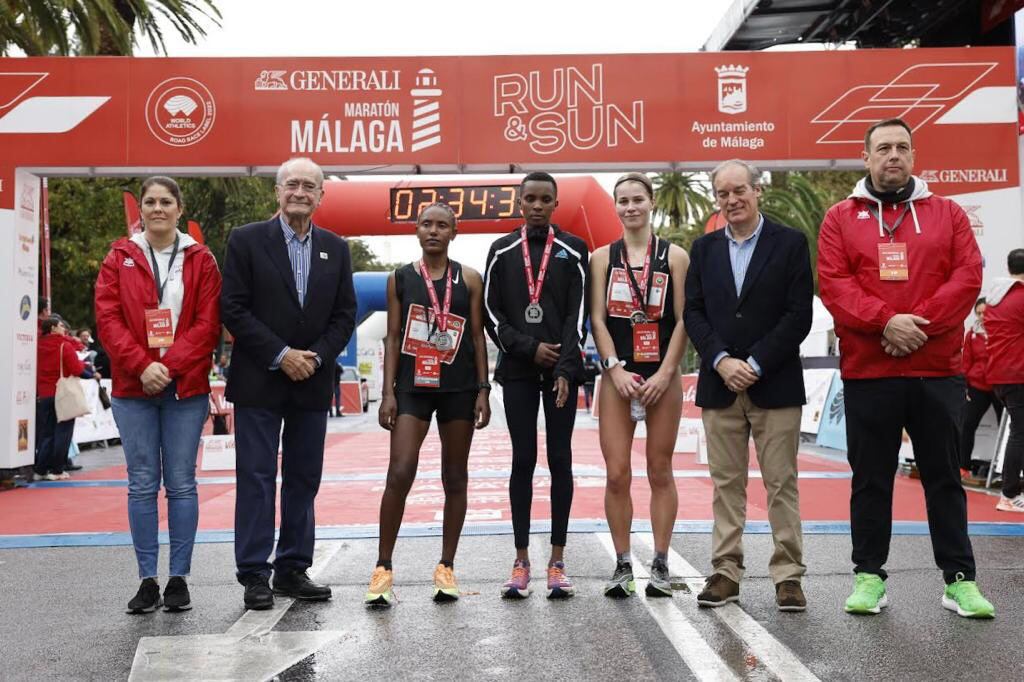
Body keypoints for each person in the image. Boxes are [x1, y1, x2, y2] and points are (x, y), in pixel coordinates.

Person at [818, 117, 994, 618]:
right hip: (870, 373)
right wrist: (885, 322)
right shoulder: (839, 218)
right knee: (870, 478)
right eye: (883, 148)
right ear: (866, 156)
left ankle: (959, 580)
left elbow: (967, 277)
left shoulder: (948, 214)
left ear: (914, 157)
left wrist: (917, 326)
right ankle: (869, 576)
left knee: (943, 477)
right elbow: (834, 284)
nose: (893, 156)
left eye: (902, 148)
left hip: (936, 369)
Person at [220, 157, 357, 611]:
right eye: (292, 184)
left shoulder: (336, 248)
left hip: (312, 381)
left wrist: (315, 356)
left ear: (322, 195)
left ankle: (293, 568)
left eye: (309, 186)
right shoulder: (245, 240)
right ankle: (255, 573)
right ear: (277, 192)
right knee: (256, 478)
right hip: (260, 378)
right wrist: (282, 355)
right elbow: (234, 308)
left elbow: (344, 315)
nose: (300, 192)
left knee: (303, 478)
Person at [684, 160, 813, 612]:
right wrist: (721, 360)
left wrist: (754, 362)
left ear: (757, 191)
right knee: (726, 484)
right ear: (716, 199)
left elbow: (799, 315)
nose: (732, 200)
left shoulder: (791, 244)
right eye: (723, 194)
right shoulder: (703, 250)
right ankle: (725, 572)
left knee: (782, 483)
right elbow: (693, 313)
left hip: (774, 383)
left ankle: (788, 576)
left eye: (740, 190)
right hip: (720, 386)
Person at [94, 175, 222, 614]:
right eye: (150, 201)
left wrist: (168, 366)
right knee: (142, 484)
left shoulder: (200, 259)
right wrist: (142, 365)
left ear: (179, 208)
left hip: (184, 388)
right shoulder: (119, 257)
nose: (158, 208)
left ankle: (179, 579)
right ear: (141, 210)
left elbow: (208, 324)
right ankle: (147, 579)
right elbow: (107, 320)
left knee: (182, 484)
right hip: (134, 388)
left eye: (166, 201)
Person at [365, 203, 491, 606]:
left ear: (454, 232)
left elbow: (476, 337)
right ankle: (383, 567)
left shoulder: (469, 278)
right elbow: (392, 334)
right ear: (416, 231)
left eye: (442, 225)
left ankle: (446, 566)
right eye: (426, 224)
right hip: (412, 386)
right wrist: (387, 393)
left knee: (454, 476)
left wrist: (483, 390)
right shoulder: (399, 278)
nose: (433, 230)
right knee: (400, 470)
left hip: (458, 387)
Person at [484, 171, 589, 598]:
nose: (538, 205)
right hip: (519, 373)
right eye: (530, 198)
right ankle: (522, 560)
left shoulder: (574, 250)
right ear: (519, 202)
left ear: (556, 203)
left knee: (560, 460)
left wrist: (564, 367)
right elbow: (492, 316)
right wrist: (529, 349)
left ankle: (558, 560)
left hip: (562, 374)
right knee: (523, 461)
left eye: (546, 199)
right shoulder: (501, 251)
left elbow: (577, 316)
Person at [590, 172, 689, 598]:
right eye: (623, 201)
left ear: (651, 204)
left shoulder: (676, 257)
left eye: (637, 200)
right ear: (615, 207)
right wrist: (613, 368)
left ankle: (662, 562)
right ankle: (623, 562)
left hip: (661, 378)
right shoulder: (600, 258)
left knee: (659, 469)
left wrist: (667, 373)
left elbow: (685, 319)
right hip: (619, 378)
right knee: (616, 474)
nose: (630, 207)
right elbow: (596, 318)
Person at [984, 248, 1024, 512]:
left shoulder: (995, 299)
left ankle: (1010, 493)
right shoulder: (1020, 297)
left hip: (1000, 374)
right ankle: (1008, 495)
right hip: (1018, 372)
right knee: (1020, 434)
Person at [34, 316, 85, 481]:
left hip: (44, 393)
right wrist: (85, 365)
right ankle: (57, 470)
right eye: (61, 326)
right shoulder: (65, 345)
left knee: (46, 433)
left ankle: (40, 470)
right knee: (63, 433)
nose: (64, 328)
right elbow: (77, 369)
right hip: (62, 393)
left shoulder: (38, 345)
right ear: (54, 328)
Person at [960, 298, 1003, 477]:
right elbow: (966, 361)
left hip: (1000, 385)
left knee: (1009, 430)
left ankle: (1006, 471)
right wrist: (964, 387)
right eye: (978, 313)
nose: (982, 316)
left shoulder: (1003, 332)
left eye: (985, 312)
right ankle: (963, 467)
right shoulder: (971, 335)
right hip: (977, 386)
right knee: (967, 426)